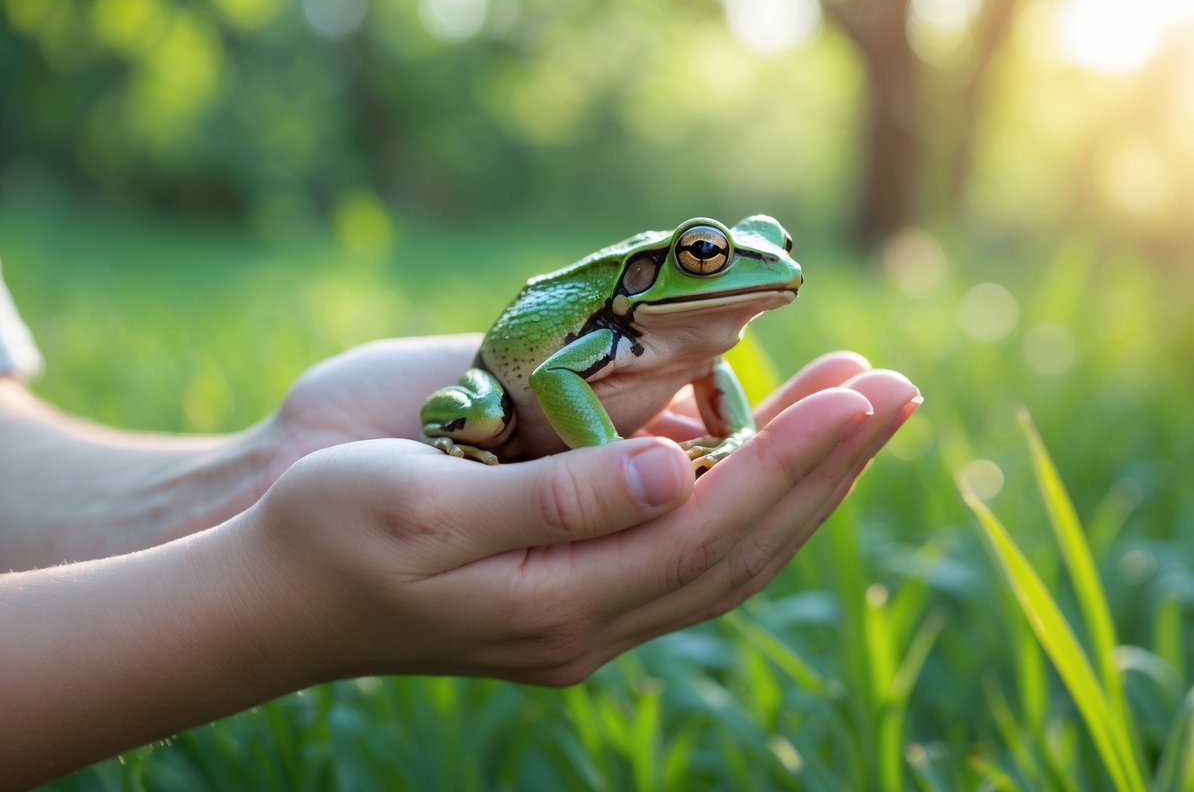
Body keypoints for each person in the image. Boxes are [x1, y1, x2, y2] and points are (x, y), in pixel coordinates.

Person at [0, 262, 921, 787]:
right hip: (502, 393)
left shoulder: (702, 340)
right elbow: (558, 377)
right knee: (476, 414)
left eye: (773, 248)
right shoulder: (615, 325)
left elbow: (712, 379)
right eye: (713, 255)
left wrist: (262, 473)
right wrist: (269, 593)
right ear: (656, 273)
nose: (761, 265)